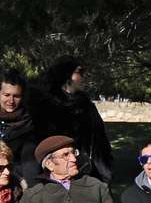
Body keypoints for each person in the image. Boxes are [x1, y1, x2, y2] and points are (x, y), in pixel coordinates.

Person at [31, 56, 114, 185]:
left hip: (92, 178)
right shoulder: (46, 107)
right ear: (66, 75)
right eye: (79, 72)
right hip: (57, 181)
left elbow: (101, 142)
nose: (84, 76)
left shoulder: (87, 106)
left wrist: (106, 171)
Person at [0, 69, 38, 179]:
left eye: (16, 96)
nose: (11, 101)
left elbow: (29, 163)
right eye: (6, 95)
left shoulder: (27, 125)